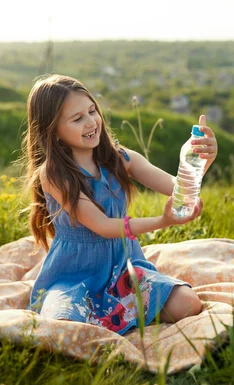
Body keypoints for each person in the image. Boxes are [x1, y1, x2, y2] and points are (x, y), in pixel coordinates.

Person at [22, 74, 218, 335]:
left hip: (123, 268)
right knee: (64, 327)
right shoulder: (54, 175)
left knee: (188, 303)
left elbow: (177, 188)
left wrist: (202, 162)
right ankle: (103, 319)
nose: (91, 122)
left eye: (92, 111)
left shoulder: (121, 158)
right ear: (53, 131)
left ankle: (120, 316)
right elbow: (102, 225)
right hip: (74, 276)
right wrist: (163, 221)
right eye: (77, 118)